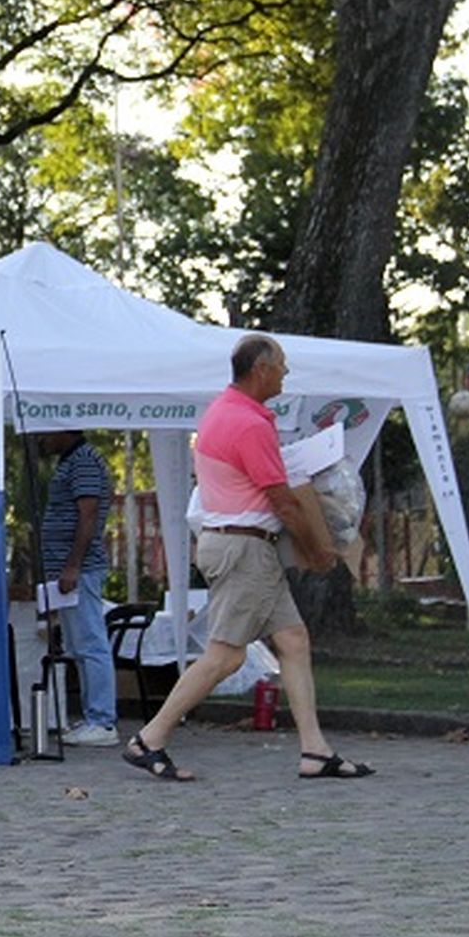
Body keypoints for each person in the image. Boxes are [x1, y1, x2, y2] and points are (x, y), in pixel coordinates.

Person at [122, 333, 375, 781]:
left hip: (236, 543)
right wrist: (318, 550)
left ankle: (315, 751)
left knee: (293, 640)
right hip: (245, 549)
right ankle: (150, 738)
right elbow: (284, 502)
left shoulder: (223, 411)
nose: (286, 373)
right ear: (260, 369)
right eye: (281, 365)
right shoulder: (249, 424)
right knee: (226, 656)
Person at [38, 429, 119, 747]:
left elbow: (88, 516)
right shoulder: (71, 461)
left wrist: (73, 564)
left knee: (90, 643)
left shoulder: (84, 462)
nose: (41, 439)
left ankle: (102, 720)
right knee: (78, 645)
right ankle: (92, 717)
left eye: (46, 433)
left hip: (79, 570)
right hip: (69, 569)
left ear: (65, 430)